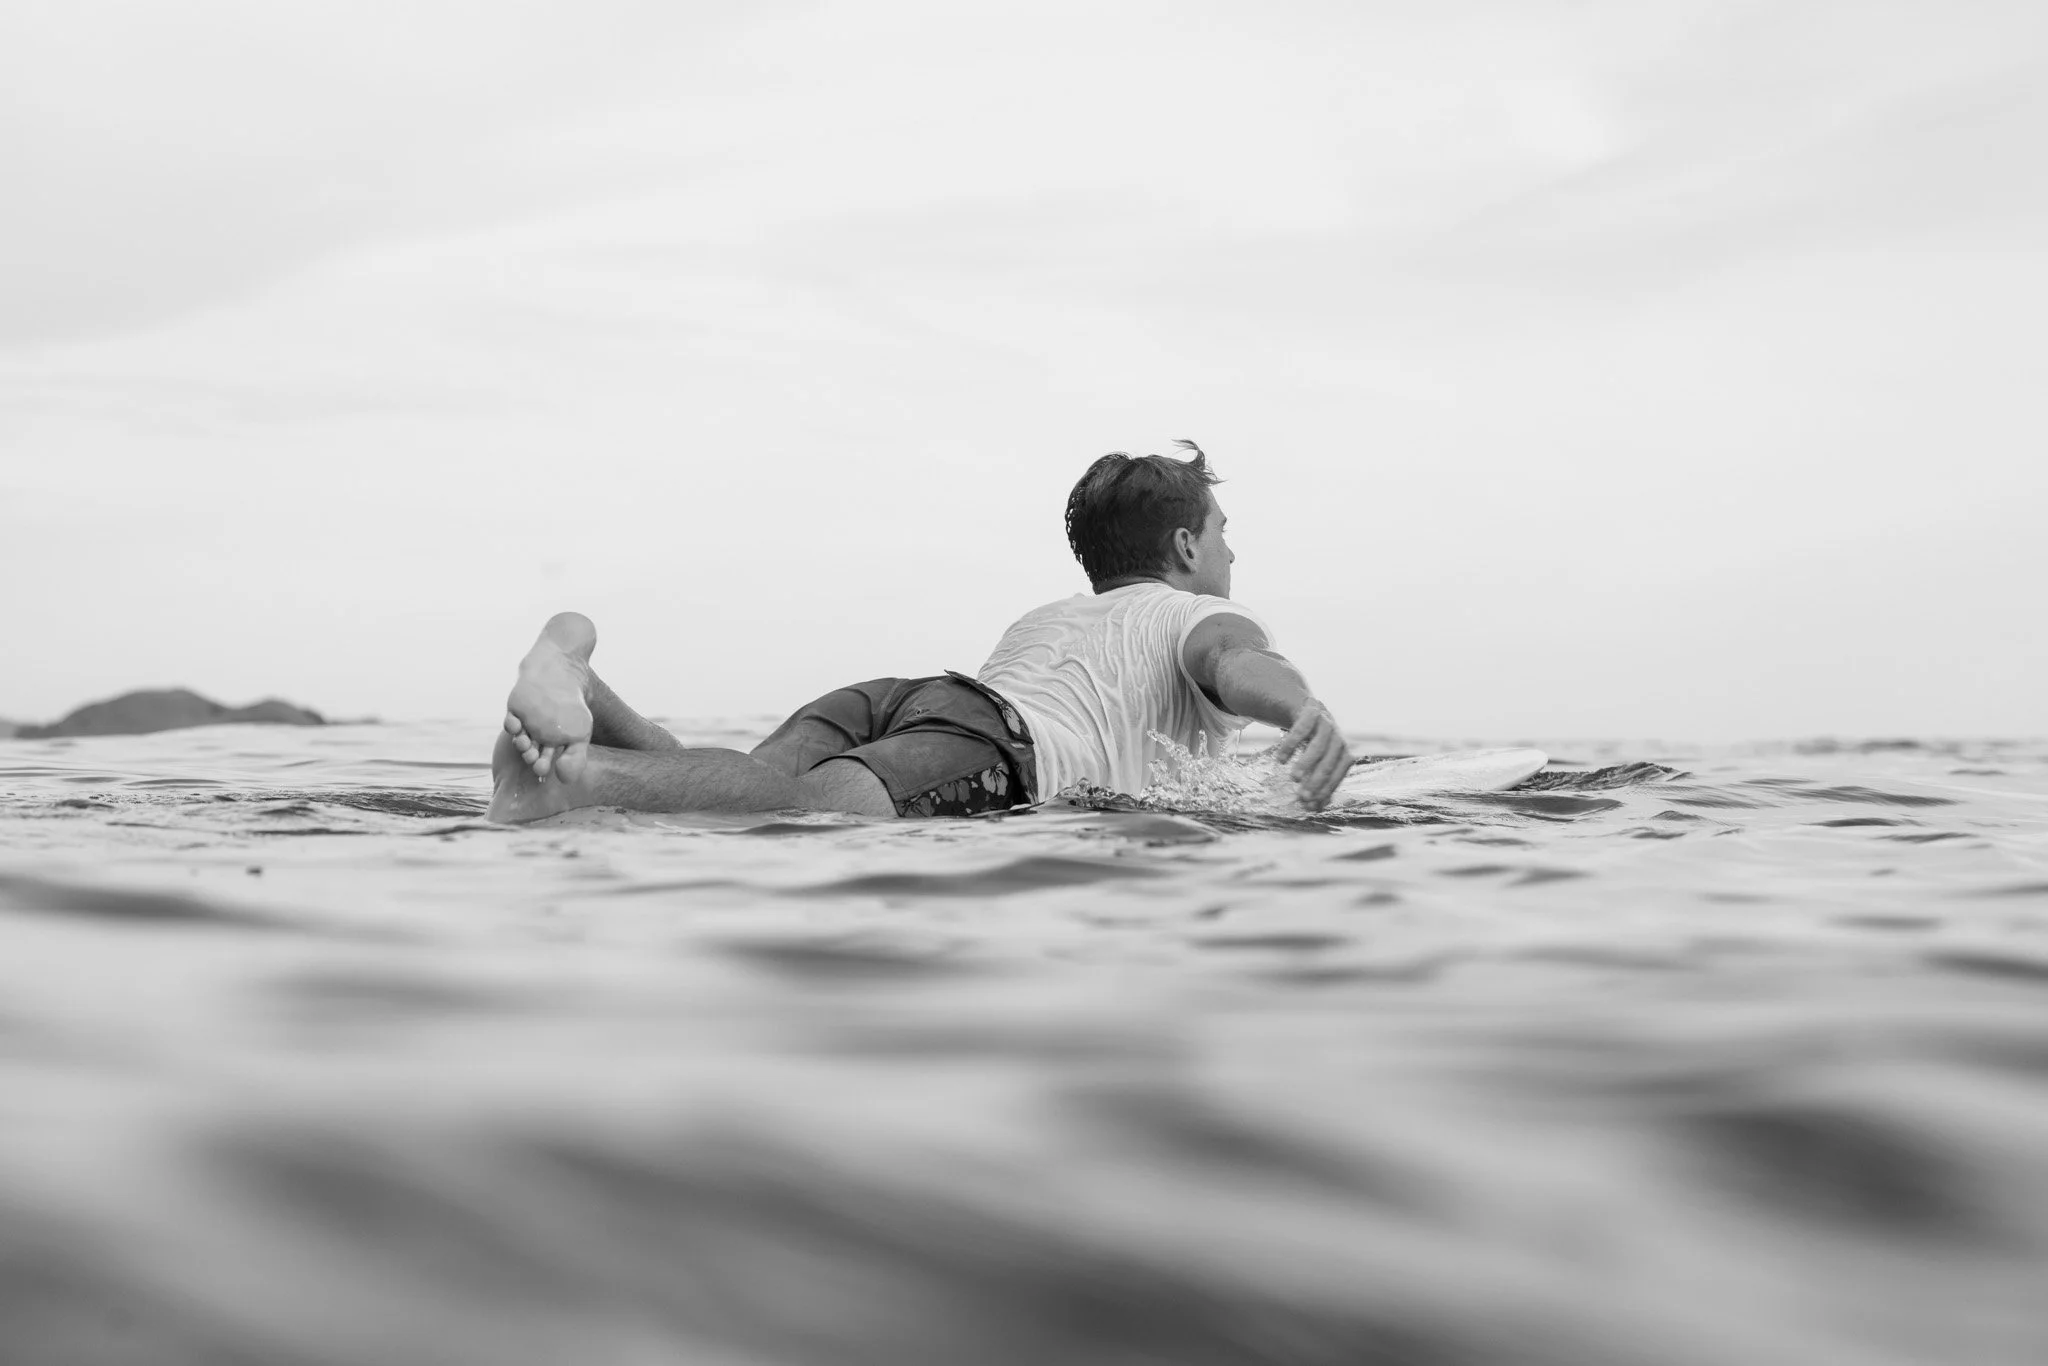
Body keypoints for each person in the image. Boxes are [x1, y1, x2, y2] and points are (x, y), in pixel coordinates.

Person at [488, 441, 1353, 823]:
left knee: (744, 790)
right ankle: (573, 779)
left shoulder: (1046, 617)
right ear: (1186, 544)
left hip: (909, 704)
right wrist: (1302, 710)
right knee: (804, 813)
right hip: (995, 744)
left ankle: (582, 680)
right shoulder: (1199, 611)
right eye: (1224, 530)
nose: (1233, 550)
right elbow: (1235, 659)